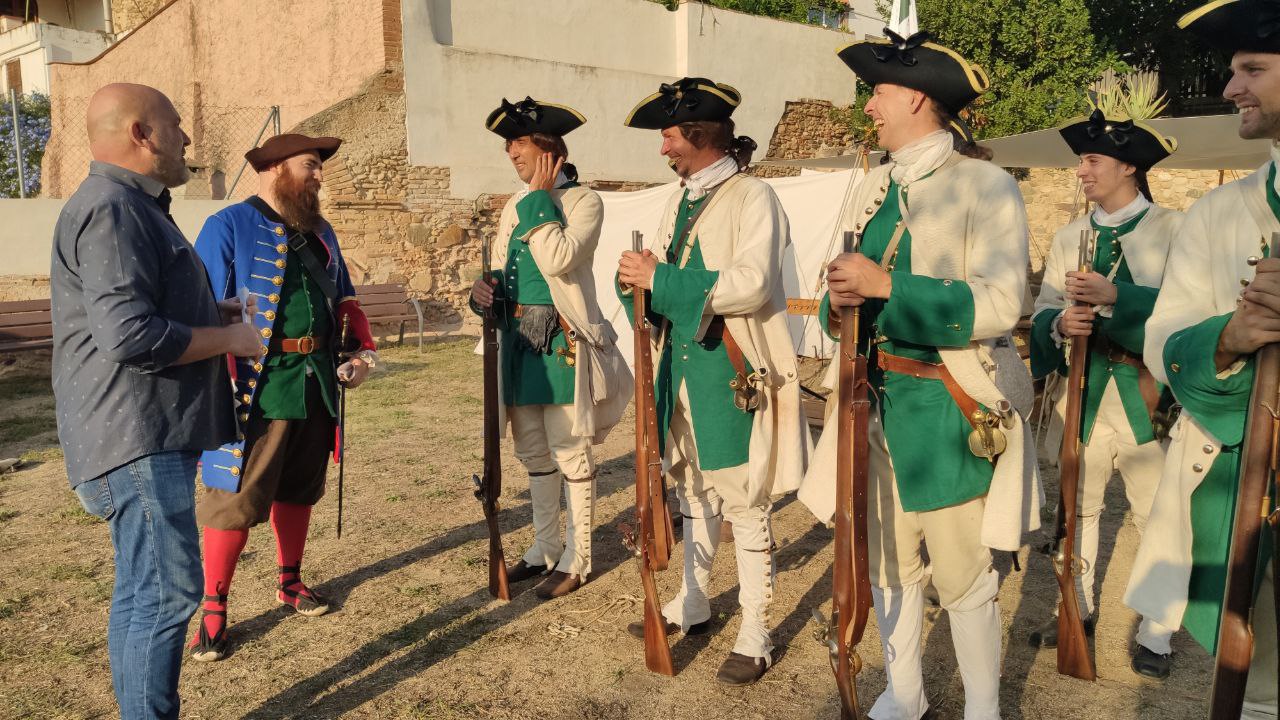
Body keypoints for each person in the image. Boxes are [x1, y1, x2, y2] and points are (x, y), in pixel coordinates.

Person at [798, 30, 1039, 719]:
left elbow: (1001, 303)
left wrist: (885, 288)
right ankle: (906, 696)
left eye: (877, 92)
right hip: (871, 404)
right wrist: (840, 299)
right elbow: (840, 296)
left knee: (964, 575)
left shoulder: (984, 185)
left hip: (946, 407)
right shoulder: (875, 187)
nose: (868, 106)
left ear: (914, 96)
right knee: (890, 565)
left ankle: (984, 711)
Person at [51, 83, 260, 719]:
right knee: (167, 595)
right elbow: (128, 336)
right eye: (175, 124)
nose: (187, 138)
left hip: (137, 433)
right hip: (137, 437)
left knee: (146, 592)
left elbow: (129, 311)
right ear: (142, 133)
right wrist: (230, 335)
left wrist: (206, 309)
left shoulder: (130, 206)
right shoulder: (114, 208)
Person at [618, 76, 811, 685]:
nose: (663, 148)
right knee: (694, 490)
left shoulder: (754, 196)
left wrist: (661, 281)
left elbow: (750, 283)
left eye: (669, 135)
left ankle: (756, 631)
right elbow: (663, 281)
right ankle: (695, 602)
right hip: (681, 369)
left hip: (730, 372)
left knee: (745, 503)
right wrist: (639, 290)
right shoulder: (683, 199)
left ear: (699, 134)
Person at [1126, 2, 1280, 715]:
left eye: (1252, 69)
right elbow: (1166, 337)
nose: (1228, 89)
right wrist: (1231, 334)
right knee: (1259, 694)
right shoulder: (1218, 215)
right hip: (1244, 488)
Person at [187, 133, 379, 662]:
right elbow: (201, 307)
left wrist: (360, 354)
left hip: (316, 380)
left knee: (299, 487)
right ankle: (214, 609)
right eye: (310, 165)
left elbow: (346, 301)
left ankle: (289, 581)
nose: (319, 175)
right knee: (235, 498)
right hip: (258, 387)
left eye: (318, 167)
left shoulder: (322, 232)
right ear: (274, 168)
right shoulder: (227, 226)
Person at [1028, 104, 1182, 678]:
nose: (1081, 171)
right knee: (1078, 505)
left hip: (1149, 394)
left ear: (1129, 168)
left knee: (1159, 513)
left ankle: (1158, 632)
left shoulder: (1174, 230)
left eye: (1092, 160)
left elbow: (1188, 315)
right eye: (1081, 161)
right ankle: (1079, 608)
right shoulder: (1070, 236)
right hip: (1083, 390)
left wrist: (1117, 297)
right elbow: (1045, 310)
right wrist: (1058, 325)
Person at [469, 97, 630, 599]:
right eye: (508, 145)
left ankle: (578, 559)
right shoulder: (515, 205)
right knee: (533, 453)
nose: (511, 153)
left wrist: (540, 197)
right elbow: (501, 269)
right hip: (518, 343)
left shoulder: (584, 201)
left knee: (570, 452)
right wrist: (482, 294)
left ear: (550, 152)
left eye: (519, 143)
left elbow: (559, 258)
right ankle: (543, 548)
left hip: (563, 342)